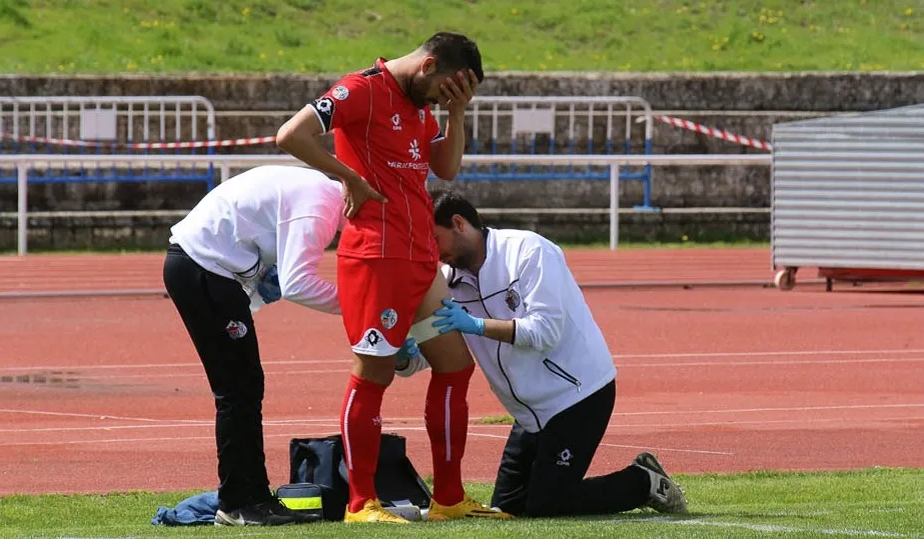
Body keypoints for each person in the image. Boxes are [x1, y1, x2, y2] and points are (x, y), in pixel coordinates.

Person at [274, 32, 512, 524]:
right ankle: (362, 504)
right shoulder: (360, 90)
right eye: (446, 90)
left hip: (421, 258)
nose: (443, 100)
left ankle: (448, 498)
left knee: (454, 366)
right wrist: (349, 178)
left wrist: (456, 113)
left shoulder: (424, 105)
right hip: (377, 256)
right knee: (374, 375)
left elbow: (444, 169)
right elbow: (290, 135)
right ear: (428, 66)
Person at [395, 190, 690, 518]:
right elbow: (432, 354)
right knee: (508, 511)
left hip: (577, 395)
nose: (435, 254)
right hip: (528, 414)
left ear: (459, 223)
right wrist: (404, 354)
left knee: (550, 505)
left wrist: (476, 325)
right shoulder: (449, 281)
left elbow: (545, 331)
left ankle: (644, 482)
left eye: (435, 239)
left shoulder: (528, 251)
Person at [163, 165, 352, 527]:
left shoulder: (319, 194)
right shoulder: (322, 207)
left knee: (245, 386)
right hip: (203, 267)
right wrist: (360, 307)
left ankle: (251, 497)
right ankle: (238, 503)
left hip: (206, 267)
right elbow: (298, 284)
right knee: (239, 389)